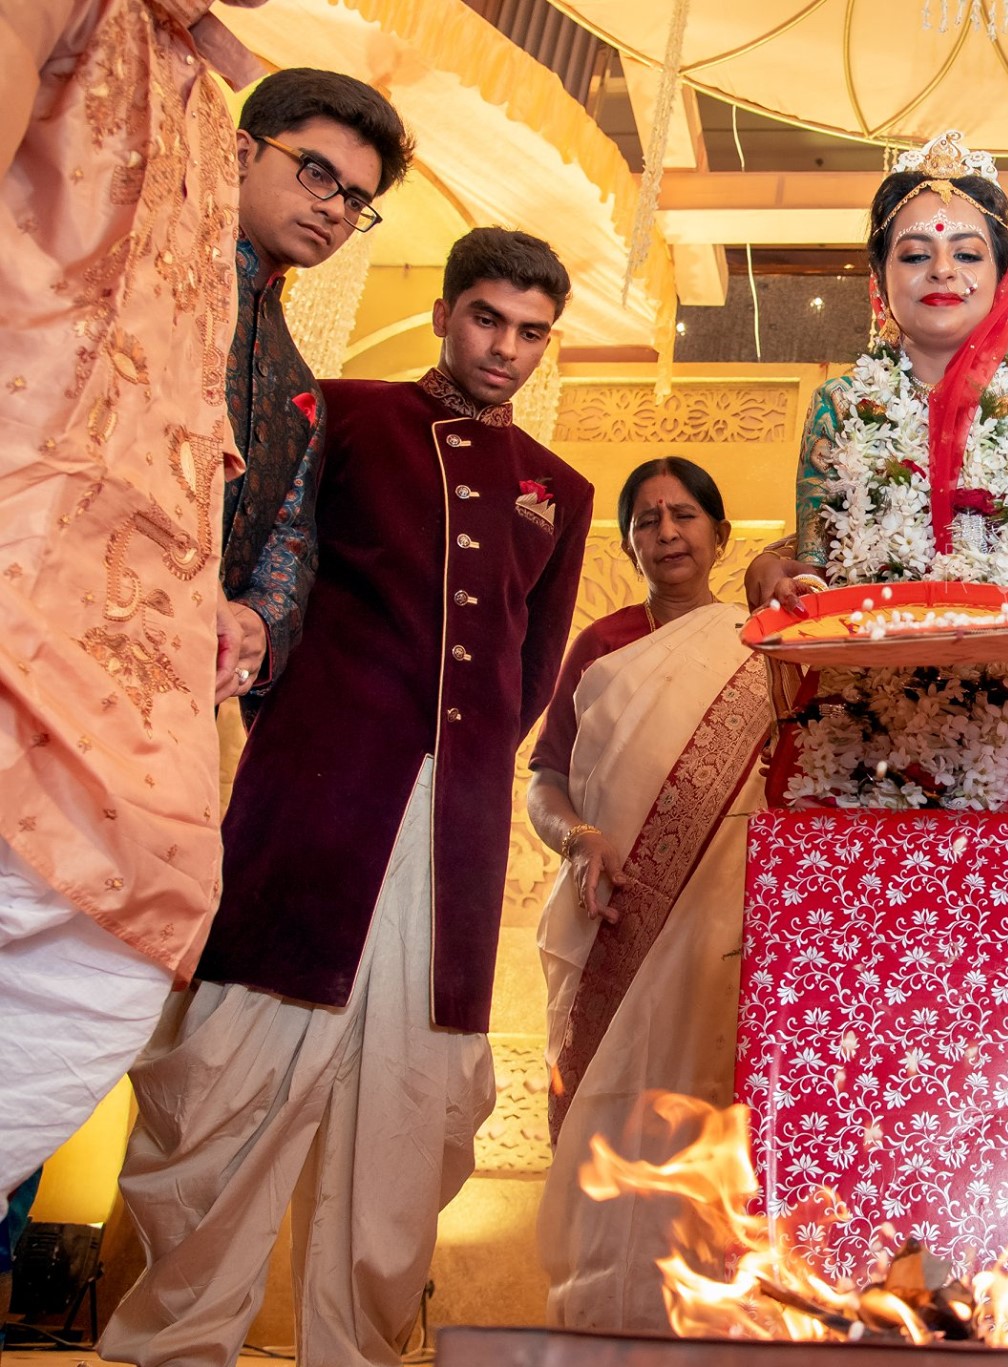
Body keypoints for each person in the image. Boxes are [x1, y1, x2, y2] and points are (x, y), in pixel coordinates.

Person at [102, 228, 593, 1367]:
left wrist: (453, 769)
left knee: (409, 1120)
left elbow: (528, 675)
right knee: (227, 1091)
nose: (504, 349)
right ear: (443, 311)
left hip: (453, 836)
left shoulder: (557, 492)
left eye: (529, 333)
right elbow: (268, 574)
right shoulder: (345, 414)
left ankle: (359, 1352)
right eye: (485, 318)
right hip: (314, 805)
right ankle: (169, 1350)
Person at [0, 0, 263, 1196]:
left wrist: (204, 585)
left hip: (134, 621)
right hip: (20, 542)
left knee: (107, 955)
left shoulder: (208, 103)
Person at [745, 130, 1008, 813]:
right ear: (879, 275)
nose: (942, 270)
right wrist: (782, 581)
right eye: (915, 253)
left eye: (967, 253)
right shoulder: (840, 406)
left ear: (1002, 273)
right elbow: (814, 567)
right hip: (857, 731)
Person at [527, 457, 773, 1331]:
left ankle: (705, 1327)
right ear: (629, 542)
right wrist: (578, 838)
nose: (666, 533)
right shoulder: (604, 644)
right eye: (646, 521)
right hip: (614, 920)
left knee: (709, 1116)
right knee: (608, 1118)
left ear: (719, 533)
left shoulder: (761, 640)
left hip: (724, 935)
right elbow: (545, 778)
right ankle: (598, 1325)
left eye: (683, 515)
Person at [217, 68, 412, 703]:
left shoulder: (300, 389)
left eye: (356, 200)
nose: (333, 208)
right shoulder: (141, 284)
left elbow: (288, 546)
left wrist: (255, 625)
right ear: (243, 152)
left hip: (182, 683)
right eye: (316, 172)